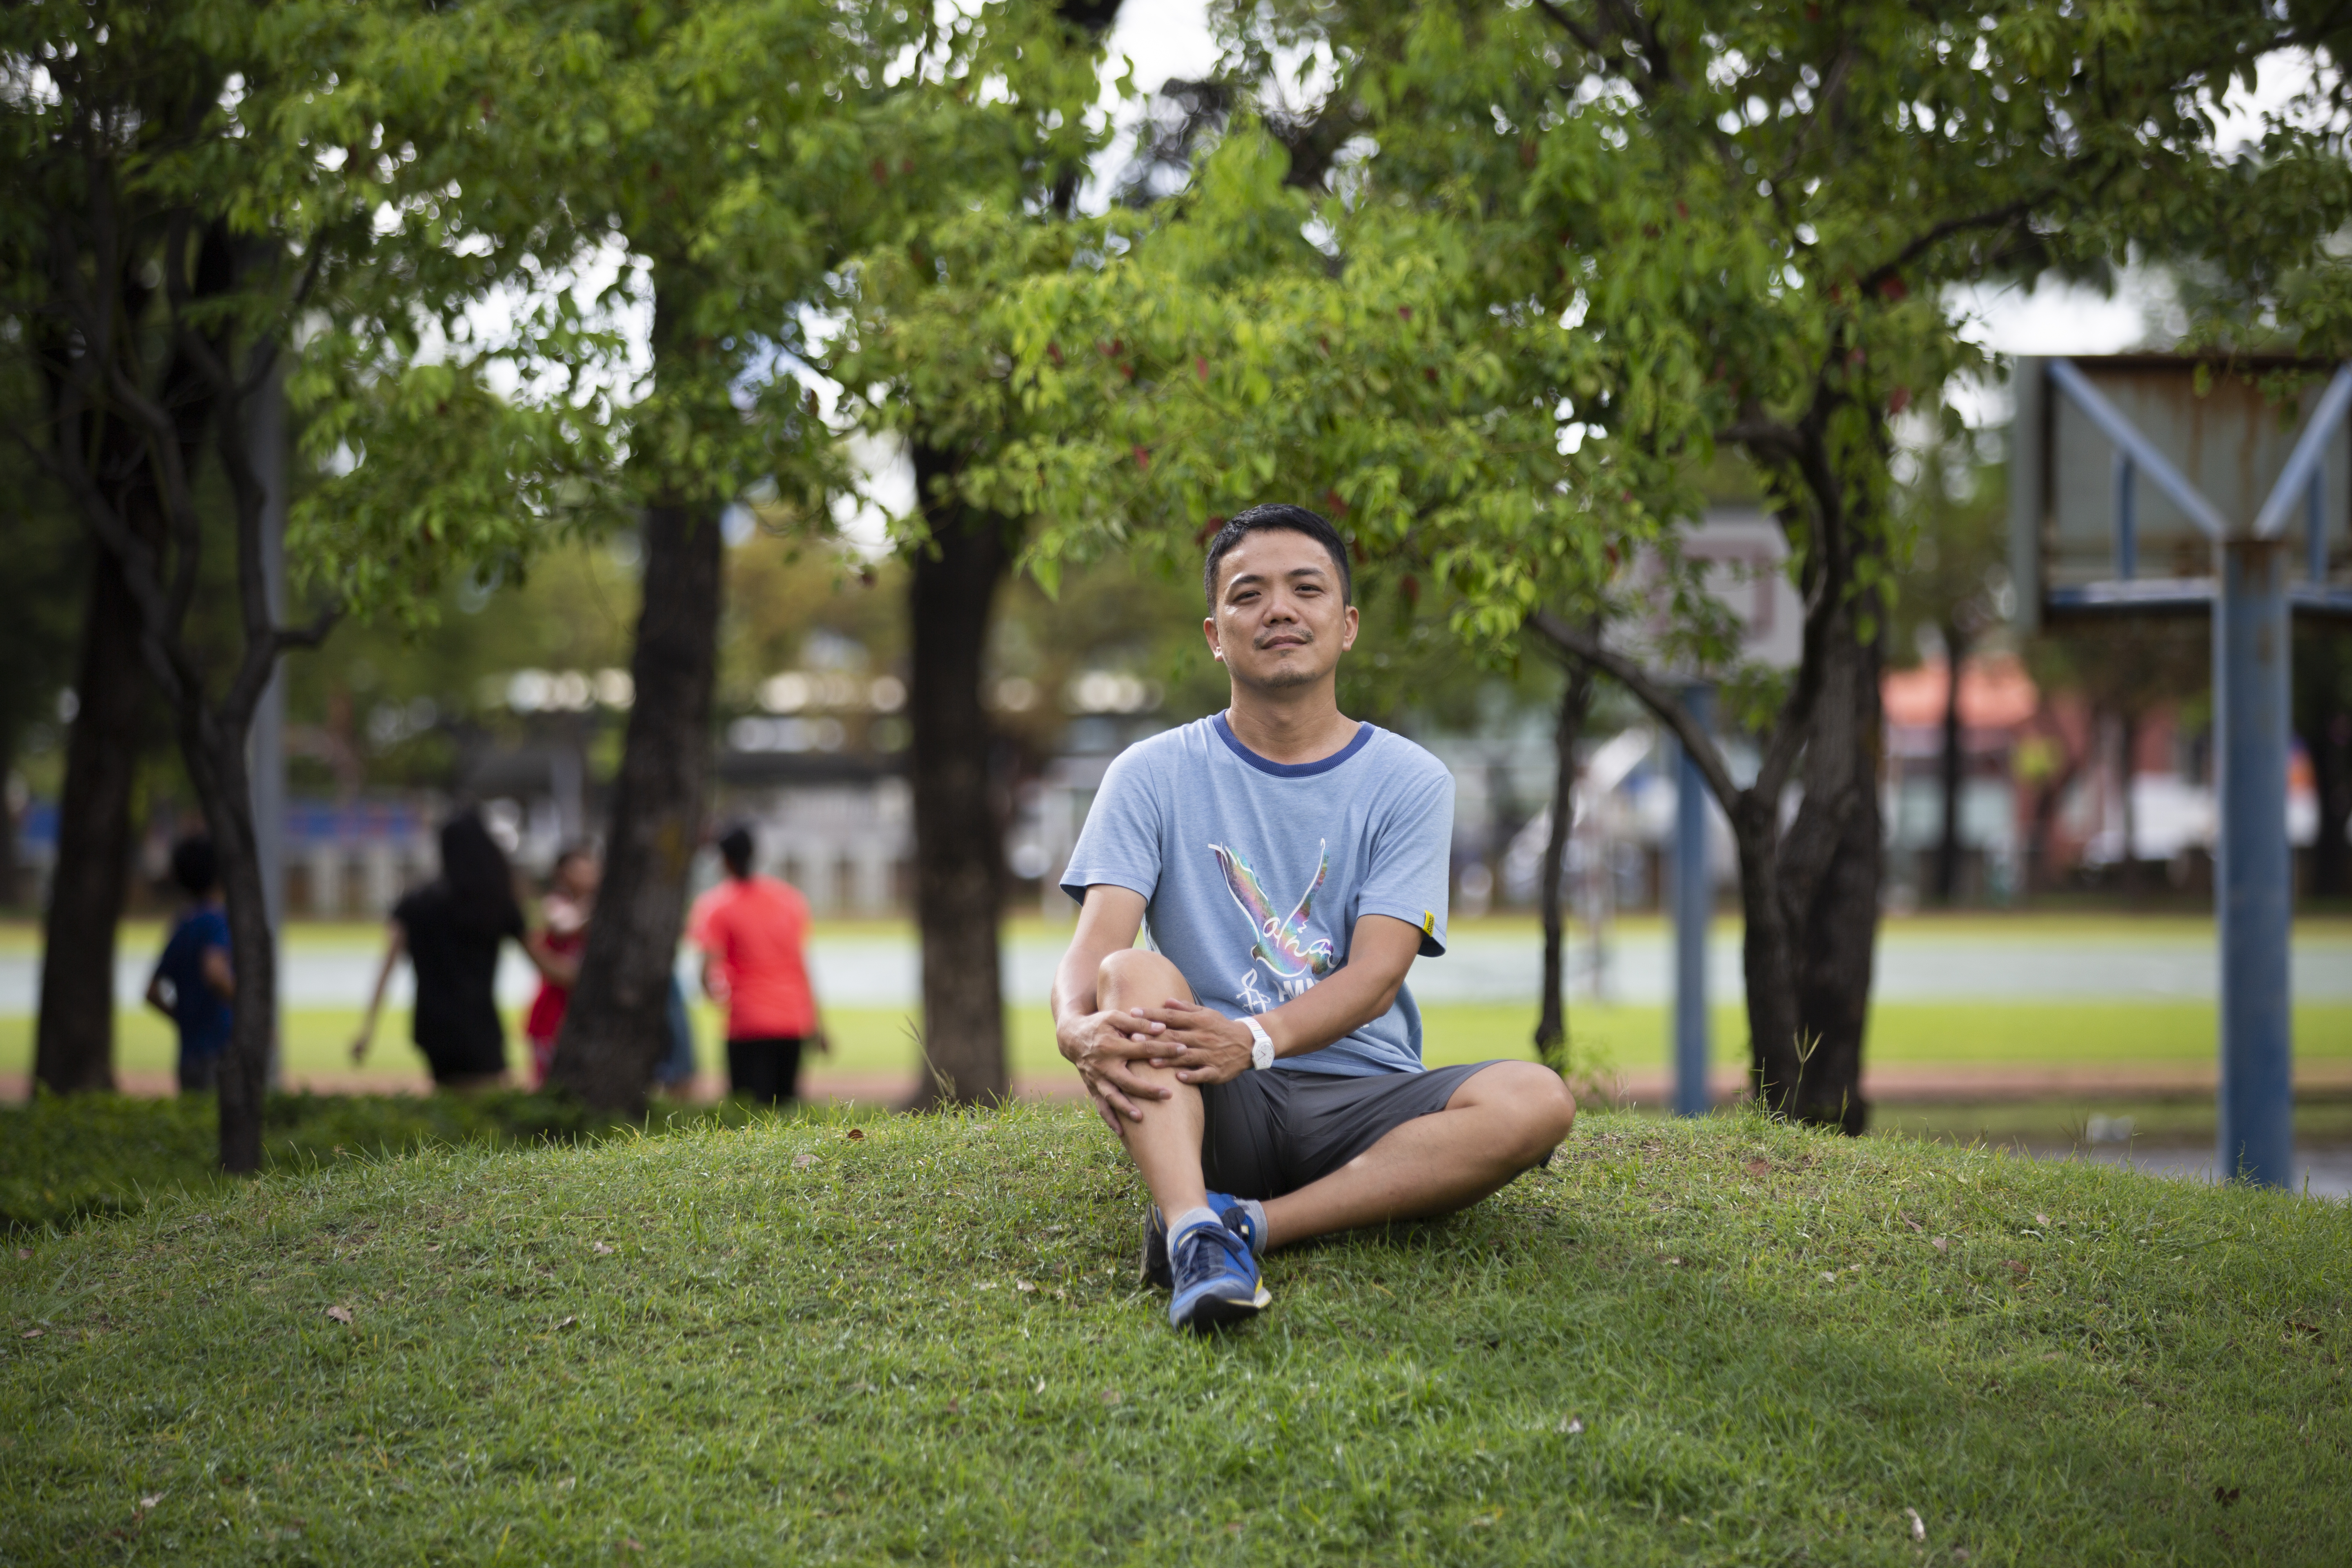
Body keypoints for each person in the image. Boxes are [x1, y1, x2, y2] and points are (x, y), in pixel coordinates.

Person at [1050, 503, 1579, 1332]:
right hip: (1210, 1092)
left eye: (1306, 589)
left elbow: (1376, 978)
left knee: (1537, 1098)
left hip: (1365, 1095)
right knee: (1129, 975)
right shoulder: (1150, 773)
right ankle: (1192, 1227)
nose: (1280, 610)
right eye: (1248, 594)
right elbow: (1096, 947)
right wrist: (1072, 1028)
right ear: (1214, 635)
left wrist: (1255, 1038)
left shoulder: (1411, 779)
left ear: (1348, 624)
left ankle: (1246, 1226)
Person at [349, 811, 574, 1090]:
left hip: (431, 1026)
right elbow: (546, 965)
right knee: (488, 1111)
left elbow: (386, 968)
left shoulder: (416, 903)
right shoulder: (494, 904)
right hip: (479, 1024)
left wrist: (368, 1029)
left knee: (454, 1104)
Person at [689, 824, 828, 1104]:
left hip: (747, 1020)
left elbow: (707, 972)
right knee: (786, 1106)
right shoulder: (790, 900)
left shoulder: (716, 905)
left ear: (724, 859)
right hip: (791, 1017)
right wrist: (818, 1025)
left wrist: (716, 996)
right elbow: (802, 966)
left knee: (747, 1109)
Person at [144, 835, 234, 1094]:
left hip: (189, 1056)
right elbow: (215, 973)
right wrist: (252, 1014)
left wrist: (184, 1019)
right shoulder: (217, 921)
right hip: (219, 1053)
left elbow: (152, 991)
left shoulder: (183, 924)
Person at [522, 843, 599, 1087]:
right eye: (581, 871)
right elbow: (566, 925)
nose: (590, 877)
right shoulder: (553, 905)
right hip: (552, 1014)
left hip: (587, 1013)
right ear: (562, 875)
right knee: (549, 1083)